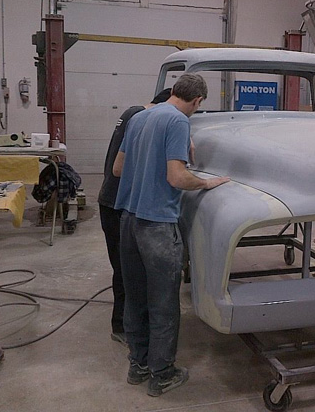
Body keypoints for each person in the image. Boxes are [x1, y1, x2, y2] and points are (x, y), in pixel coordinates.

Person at [113, 73, 229, 397]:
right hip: (157, 226)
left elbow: (118, 169)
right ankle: (162, 374)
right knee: (163, 303)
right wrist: (206, 182)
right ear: (197, 101)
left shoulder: (139, 117)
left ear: (174, 90)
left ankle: (138, 365)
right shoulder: (178, 121)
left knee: (136, 298)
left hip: (129, 221)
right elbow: (177, 178)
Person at [98, 88, 172, 345]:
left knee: (126, 269)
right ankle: (121, 327)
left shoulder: (133, 113)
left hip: (112, 200)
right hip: (117, 204)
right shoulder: (140, 118)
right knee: (125, 271)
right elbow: (121, 168)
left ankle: (130, 323)